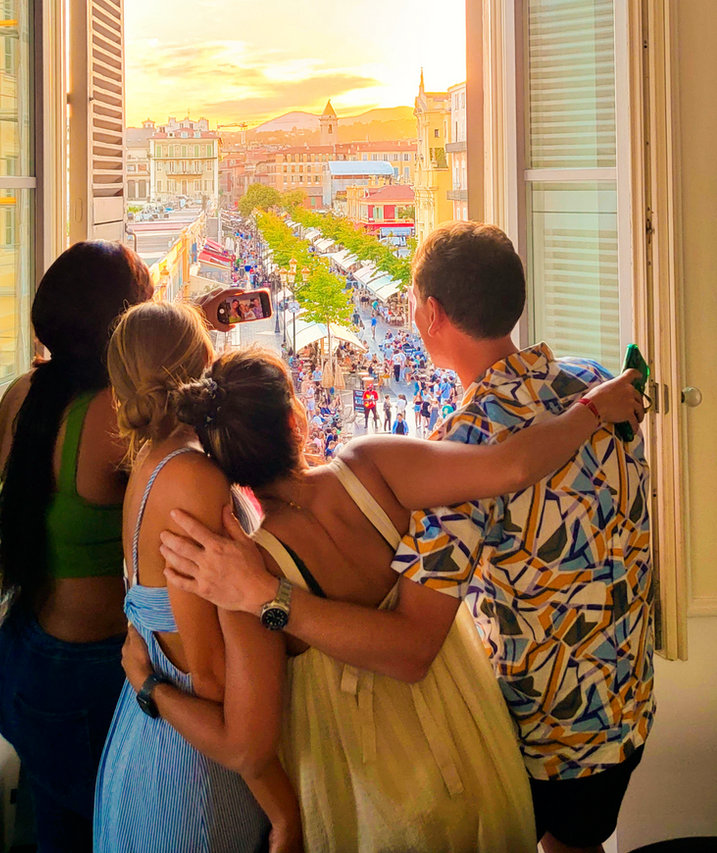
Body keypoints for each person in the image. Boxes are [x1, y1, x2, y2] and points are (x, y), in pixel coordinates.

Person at [159, 221, 652, 853]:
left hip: (551, 738)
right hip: (627, 699)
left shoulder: (462, 453)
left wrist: (265, 595)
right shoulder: (592, 382)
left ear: (431, 313)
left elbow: (413, 645)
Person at [94, 302, 299, 853]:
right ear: (202, 365)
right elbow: (210, 680)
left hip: (148, 743)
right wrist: (284, 810)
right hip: (189, 773)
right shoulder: (192, 478)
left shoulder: (151, 462)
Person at [0, 240, 154, 852]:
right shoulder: (117, 416)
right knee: (98, 829)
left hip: (24, 652)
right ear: (122, 322)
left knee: (53, 812)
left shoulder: (19, 398)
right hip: (83, 676)